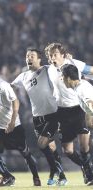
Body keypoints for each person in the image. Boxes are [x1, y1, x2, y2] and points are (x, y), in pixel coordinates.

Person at [12, 48, 67, 185]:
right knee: (51, 147)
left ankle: (54, 170)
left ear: (39, 59)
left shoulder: (48, 70)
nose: (29, 58)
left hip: (53, 114)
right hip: (37, 117)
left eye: (32, 56)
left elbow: (61, 68)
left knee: (41, 144)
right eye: (27, 56)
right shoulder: (23, 76)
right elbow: (10, 86)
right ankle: (62, 177)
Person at [0, 59, 37, 186]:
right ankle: (7, 176)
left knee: (25, 153)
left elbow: (15, 101)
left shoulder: (3, 85)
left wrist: (12, 122)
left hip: (13, 126)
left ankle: (36, 177)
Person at [46, 42, 93, 185]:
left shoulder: (74, 63)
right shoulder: (49, 70)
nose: (52, 58)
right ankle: (86, 167)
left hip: (79, 109)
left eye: (55, 55)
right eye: (50, 55)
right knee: (68, 151)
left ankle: (89, 173)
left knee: (84, 147)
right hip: (62, 112)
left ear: (63, 55)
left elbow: (90, 70)